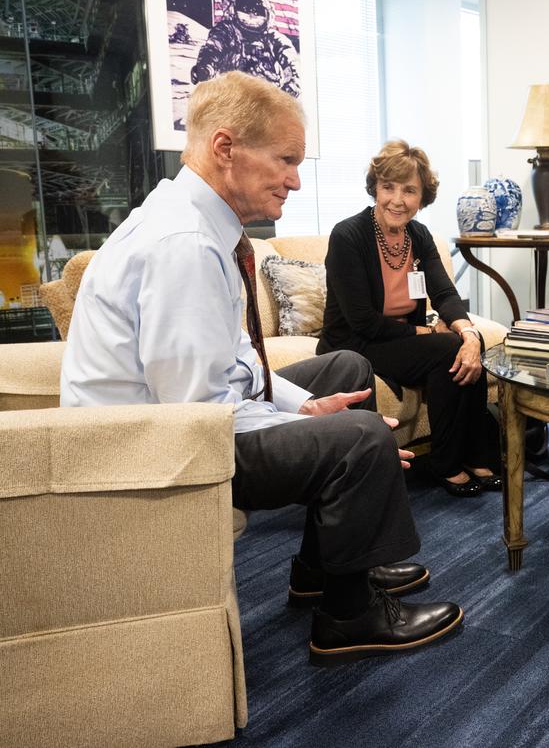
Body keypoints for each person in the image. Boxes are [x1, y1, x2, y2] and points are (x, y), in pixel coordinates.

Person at [61, 72, 463, 666]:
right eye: (286, 160)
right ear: (226, 149)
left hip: (179, 423)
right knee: (357, 436)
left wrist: (302, 406)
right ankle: (348, 615)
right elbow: (197, 411)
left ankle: (320, 567)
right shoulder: (185, 245)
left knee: (346, 370)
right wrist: (321, 430)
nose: (296, 180)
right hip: (150, 450)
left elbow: (237, 361)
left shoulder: (201, 227)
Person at [318, 140, 501, 498]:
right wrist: (428, 330)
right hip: (355, 344)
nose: (397, 200)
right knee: (446, 348)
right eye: (388, 187)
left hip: (400, 340)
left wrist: (469, 334)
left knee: (463, 351)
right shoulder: (348, 236)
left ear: (422, 197)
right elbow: (363, 322)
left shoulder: (418, 236)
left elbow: (445, 293)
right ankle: (450, 463)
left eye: (409, 190)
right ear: (375, 188)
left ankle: (469, 455)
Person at [191, 0, 301, 97]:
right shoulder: (227, 31)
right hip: (232, 95)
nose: (251, 14)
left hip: (266, 98)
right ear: (233, 8)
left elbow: (289, 58)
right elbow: (214, 48)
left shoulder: (272, 38)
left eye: (257, 10)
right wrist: (205, 67)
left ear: (267, 14)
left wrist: (292, 82)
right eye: (245, 8)